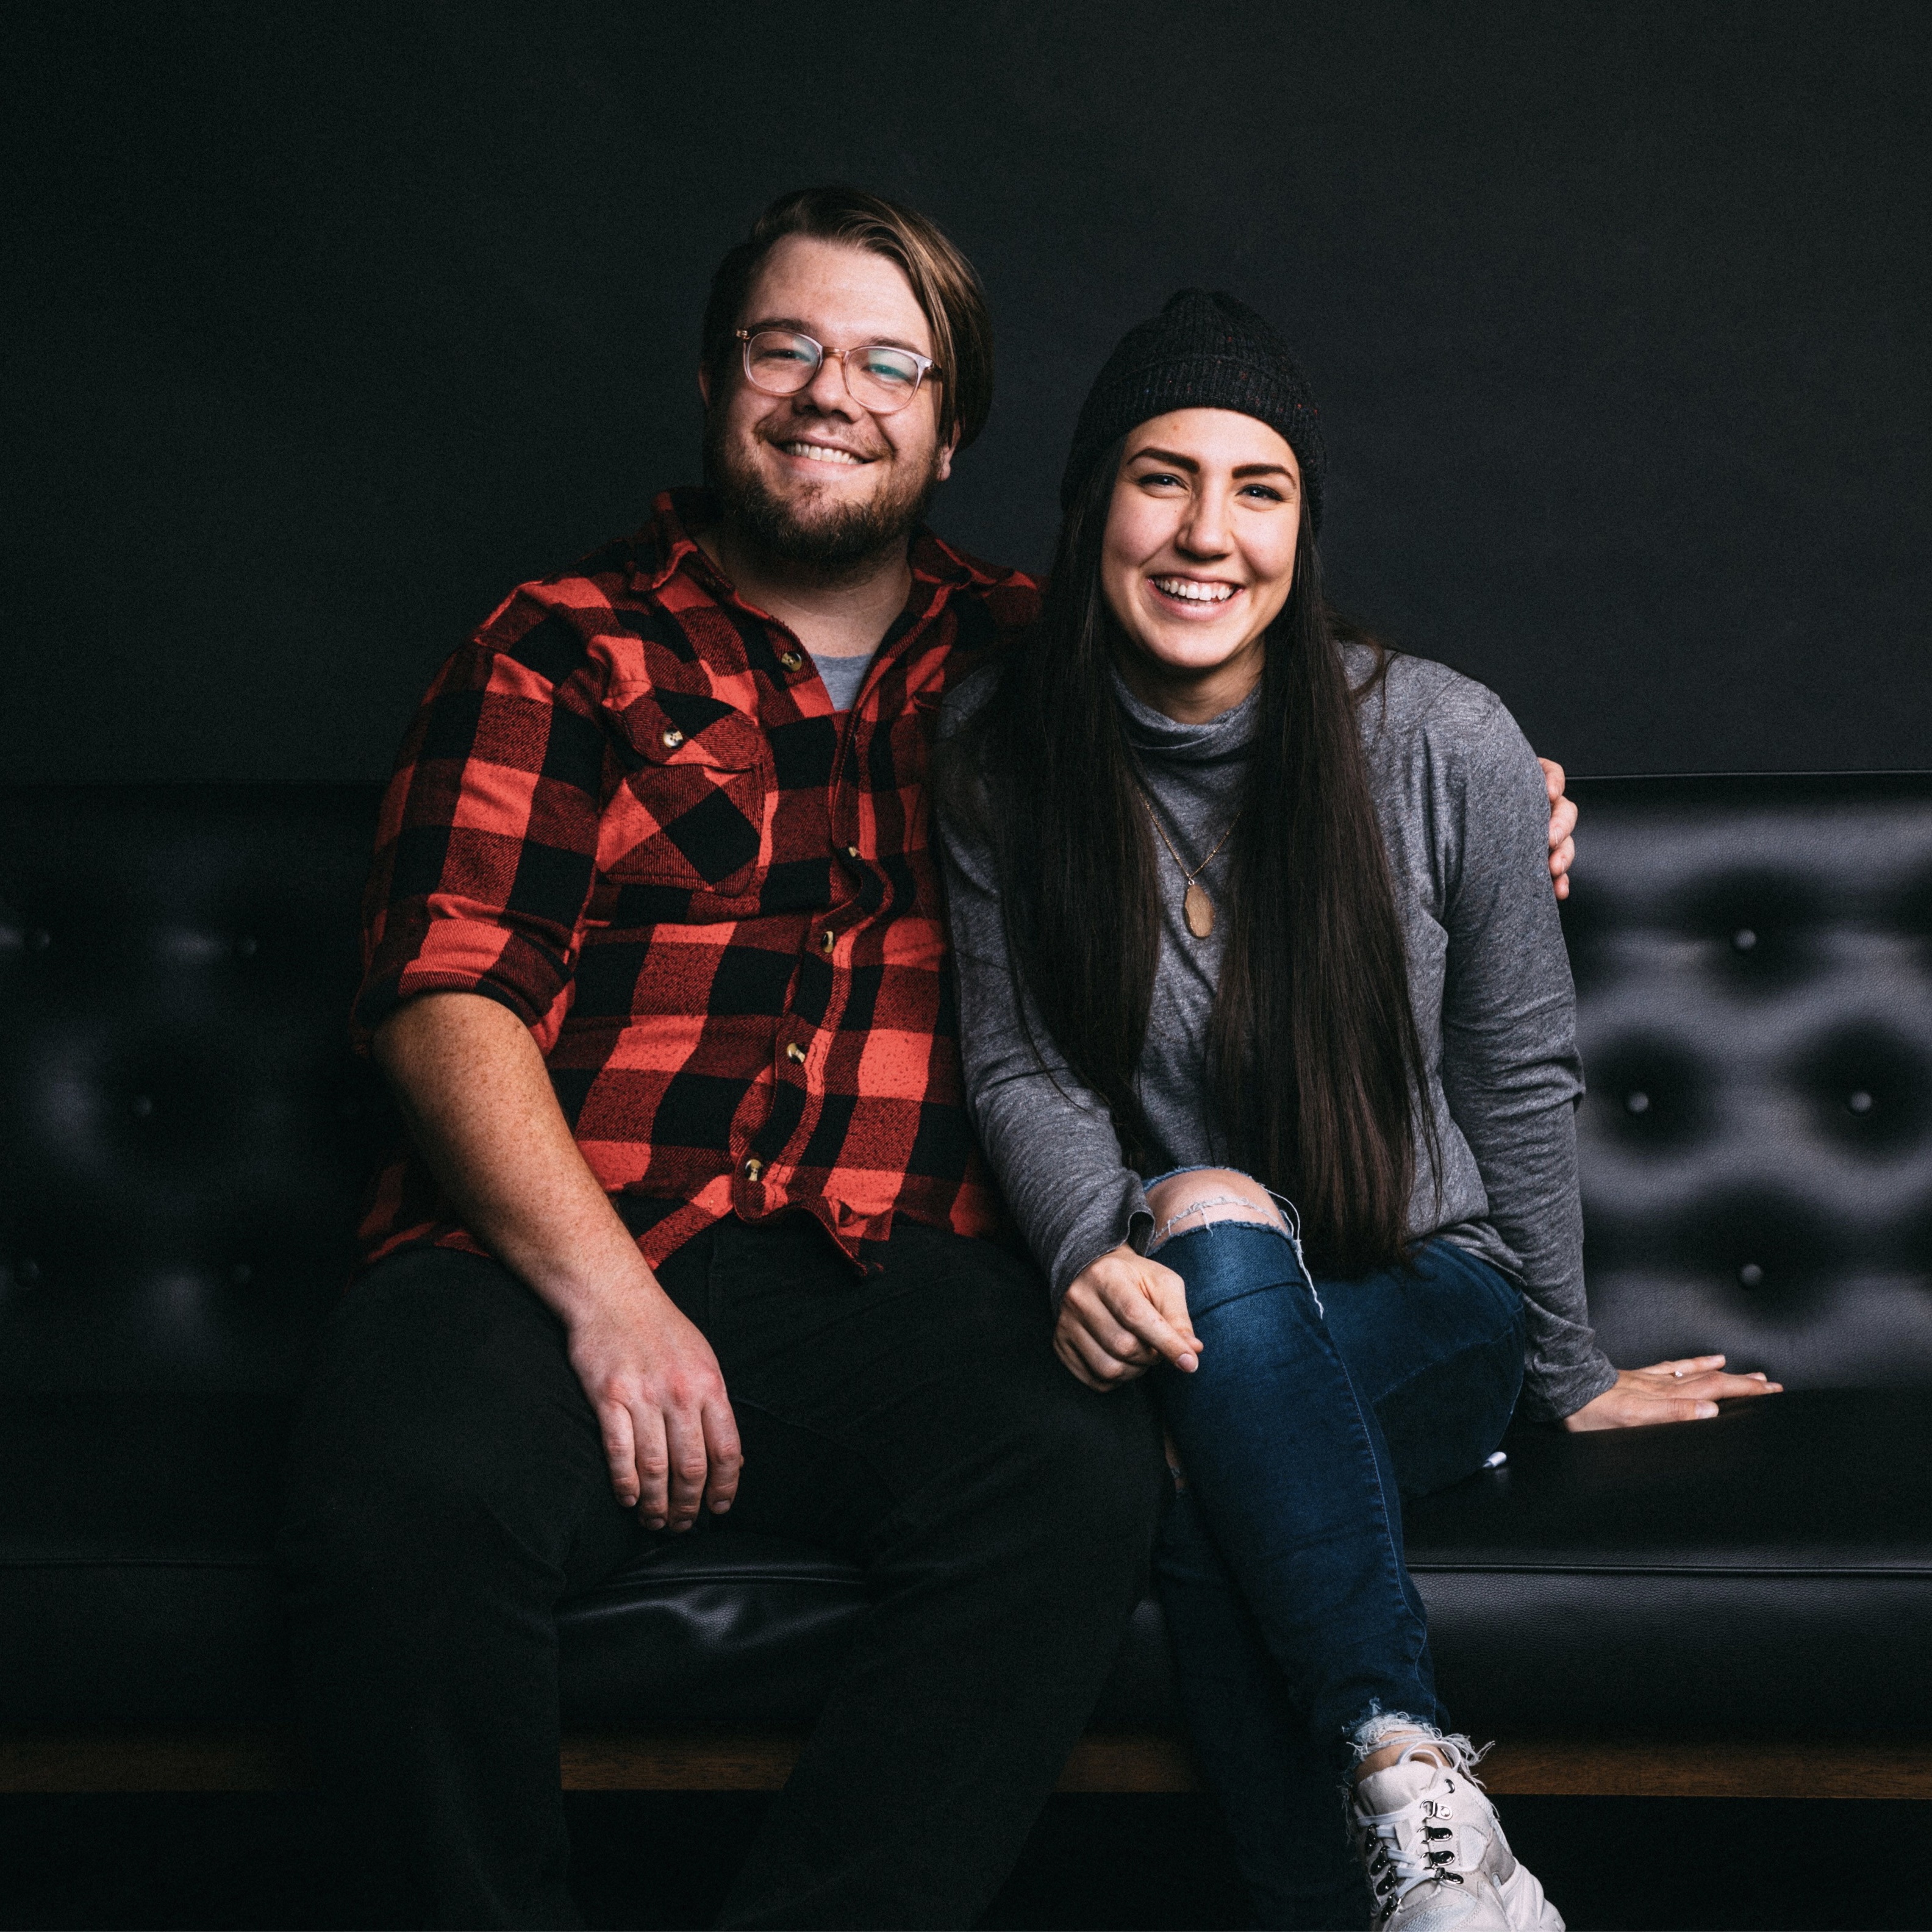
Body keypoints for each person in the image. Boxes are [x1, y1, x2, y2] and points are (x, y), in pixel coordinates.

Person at [280, 185, 1581, 1930]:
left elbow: (1252, 662)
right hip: (561, 1253)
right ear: (714, 380)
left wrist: (1497, 793)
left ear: (953, 430)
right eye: (788, 347)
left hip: (902, 1283)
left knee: (1075, 1479)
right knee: (406, 1487)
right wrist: (608, 1298)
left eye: (891, 362)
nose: (835, 391)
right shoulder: (559, 644)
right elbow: (444, 992)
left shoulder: (1025, 660)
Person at [934, 290, 1781, 1932]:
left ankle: (1393, 1794)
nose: (1205, 533)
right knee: (1207, 1295)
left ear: (1305, 528)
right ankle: (1418, 1811)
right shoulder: (996, 749)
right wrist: (1068, 1253)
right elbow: (1022, 1065)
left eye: (1259, 489)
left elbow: (1519, 1069)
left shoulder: (1441, 737)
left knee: (1212, 1259)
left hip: (1433, 1296)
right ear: (1091, 504)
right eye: (1160, 478)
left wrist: (1563, 1364)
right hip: (1191, 1312)